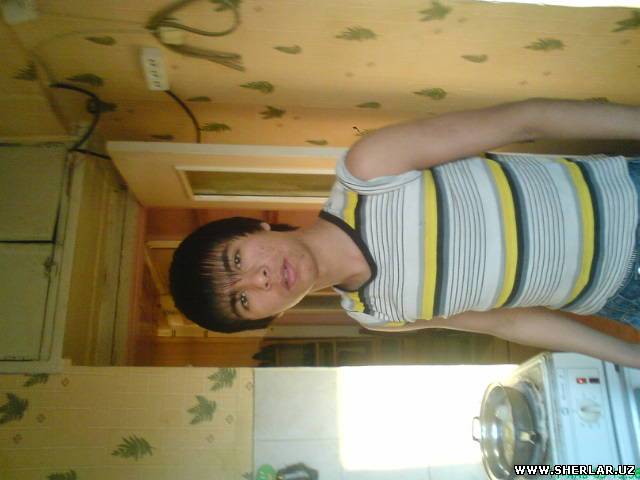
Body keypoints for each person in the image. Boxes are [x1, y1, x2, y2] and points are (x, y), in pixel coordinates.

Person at [170, 98, 640, 368]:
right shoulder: (376, 314)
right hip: (622, 299)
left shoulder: (368, 170)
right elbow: (509, 322)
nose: (259, 279)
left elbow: (524, 121)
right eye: (243, 299)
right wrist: (629, 356)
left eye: (237, 260)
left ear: (256, 227)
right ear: (268, 318)